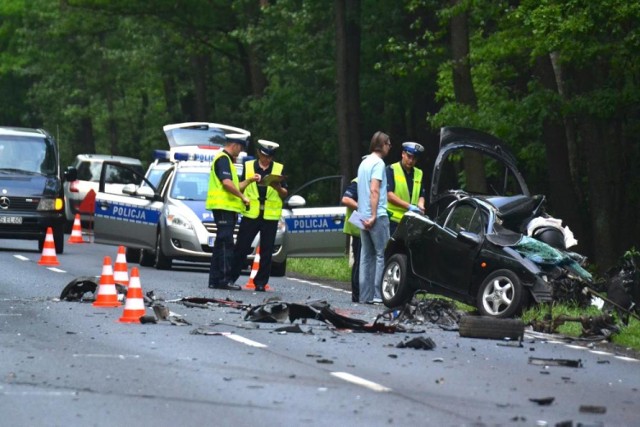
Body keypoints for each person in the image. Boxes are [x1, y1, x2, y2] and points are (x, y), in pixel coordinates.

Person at [229, 139, 288, 292]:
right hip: (251, 212)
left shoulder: (278, 168)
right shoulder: (249, 166)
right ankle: (230, 278)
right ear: (258, 153)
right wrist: (249, 181)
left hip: (270, 215)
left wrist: (277, 187)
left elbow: (284, 193)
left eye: (269, 157)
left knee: (267, 250)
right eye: (264, 156)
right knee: (241, 246)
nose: (266, 159)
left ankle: (260, 282)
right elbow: (239, 187)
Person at [206, 134, 252, 291]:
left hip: (226, 208)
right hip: (223, 207)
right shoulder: (223, 159)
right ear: (235, 145)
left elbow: (236, 185)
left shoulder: (226, 160)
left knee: (220, 243)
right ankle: (224, 280)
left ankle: (214, 279)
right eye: (241, 147)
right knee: (226, 242)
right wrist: (243, 197)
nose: (241, 151)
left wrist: (250, 181)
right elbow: (227, 184)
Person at [357, 131, 392, 304]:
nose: (390, 147)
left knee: (366, 255)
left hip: (360, 215)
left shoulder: (363, 163)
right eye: (388, 143)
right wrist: (374, 215)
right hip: (376, 215)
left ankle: (365, 295)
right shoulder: (378, 163)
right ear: (382, 144)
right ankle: (379, 295)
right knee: (381, 254)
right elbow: (374, 189)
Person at [386, 141, 426, 236]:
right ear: (403, 154)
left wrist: (421, 205)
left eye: (414, 158)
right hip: (392, 220)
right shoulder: (391, 169)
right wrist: (409, 206)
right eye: (409, 156)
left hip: (411, 221)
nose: (411, 160)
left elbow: (421, 194)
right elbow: (389, 195)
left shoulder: (419, 173)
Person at [341, 177, 360, 302]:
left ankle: (362, 293)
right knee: (359, 261)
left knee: (364, 261)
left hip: (367, 227)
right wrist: (362, 207)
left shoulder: (377, 182)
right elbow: (346, 199)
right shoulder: (357, 182)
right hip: (358, 228)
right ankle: (357, 295)